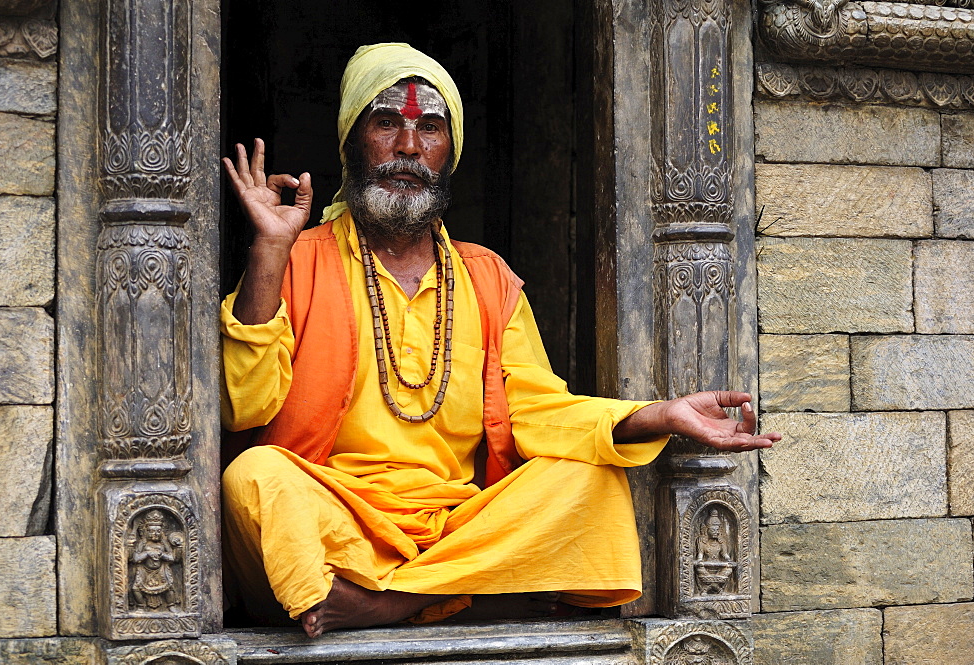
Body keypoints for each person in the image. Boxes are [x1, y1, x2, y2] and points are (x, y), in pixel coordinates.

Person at [219, 42, 779, 638]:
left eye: (429, 128)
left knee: (591, 482)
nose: (408, 147)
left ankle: (390, 603)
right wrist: (269, 250)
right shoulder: (296, 260)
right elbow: (245, 405)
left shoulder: (486, 277)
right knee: (254, 479)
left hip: (461, 525)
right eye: (387, 123)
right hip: (337, 519)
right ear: (352, 141)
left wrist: (659, 415)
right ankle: (461, 597)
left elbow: (539, 411)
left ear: (450, 153)